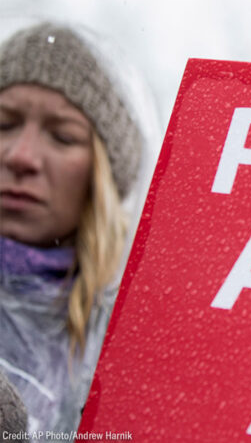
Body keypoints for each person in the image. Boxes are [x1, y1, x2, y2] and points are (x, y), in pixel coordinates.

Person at [0, 22, 145, 438]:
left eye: (62, 136)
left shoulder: (134, 343)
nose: (22, 156)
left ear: (102, 178)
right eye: (4, 124)